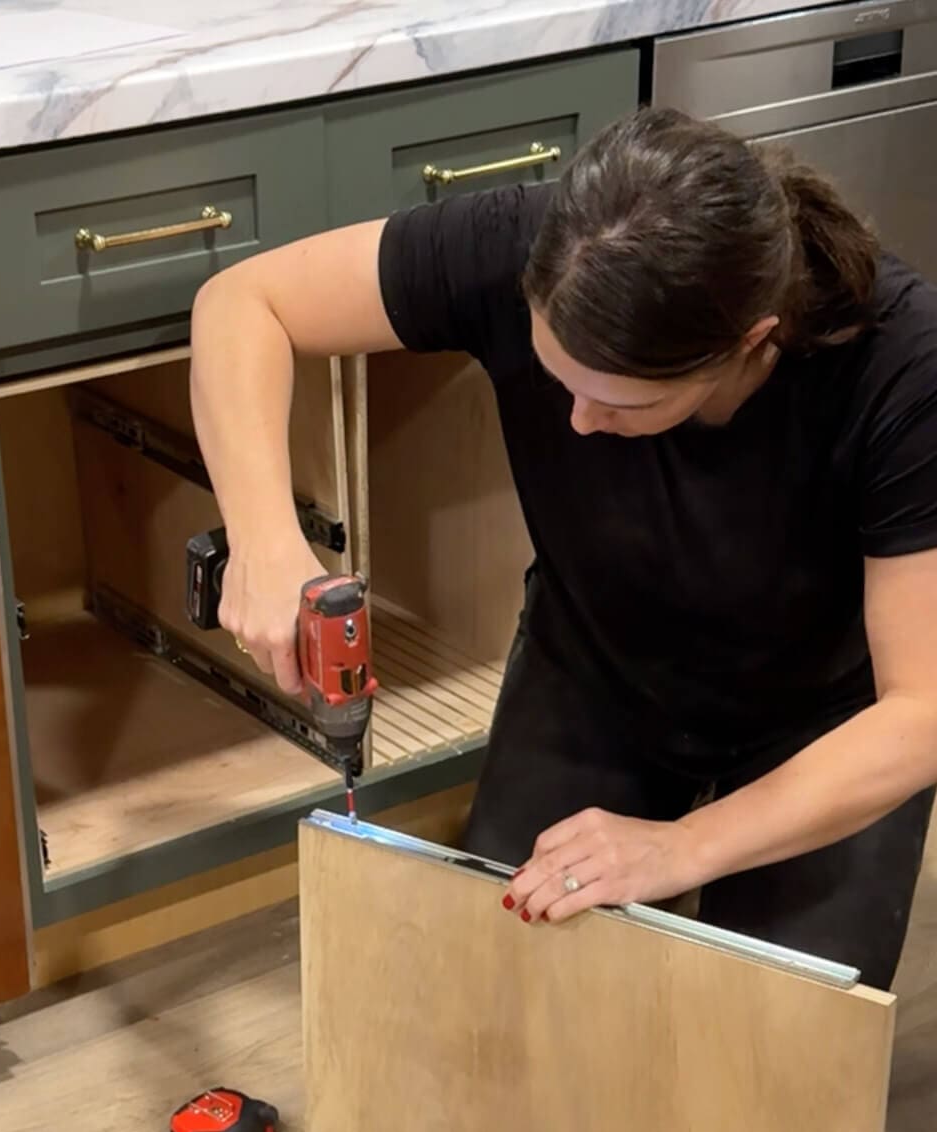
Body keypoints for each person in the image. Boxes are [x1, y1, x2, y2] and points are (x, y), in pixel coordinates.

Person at [190, 106, 937, 990]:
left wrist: (681, 849)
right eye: (558, 380)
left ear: (750, 345)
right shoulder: (526, 242)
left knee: (785, 1033)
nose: (578, 422)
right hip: (597, 665)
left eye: (623, 406)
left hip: (824, 720)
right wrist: (267, 538)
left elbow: (919, 713)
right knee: (515, 986)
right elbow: (243, 301)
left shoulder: (902, 364)